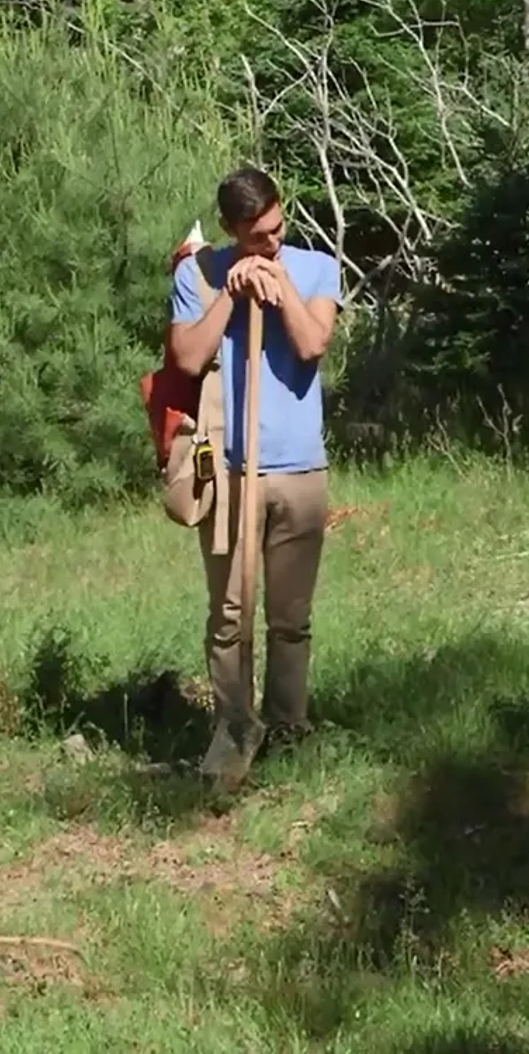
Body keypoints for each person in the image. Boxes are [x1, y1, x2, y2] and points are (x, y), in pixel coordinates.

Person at [167, 166, 342, 786]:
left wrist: (278, 286)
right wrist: (232, 296)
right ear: (230, 229)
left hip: (298, 470)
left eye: (276, 227)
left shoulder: (317, 266)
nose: (271, 241)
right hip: (231, 471)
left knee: (290, 617)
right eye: (257, 237)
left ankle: (289, 726)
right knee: (230, 613)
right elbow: (186, 358)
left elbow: (313, 342)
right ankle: (234, 726)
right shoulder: (200, 273)